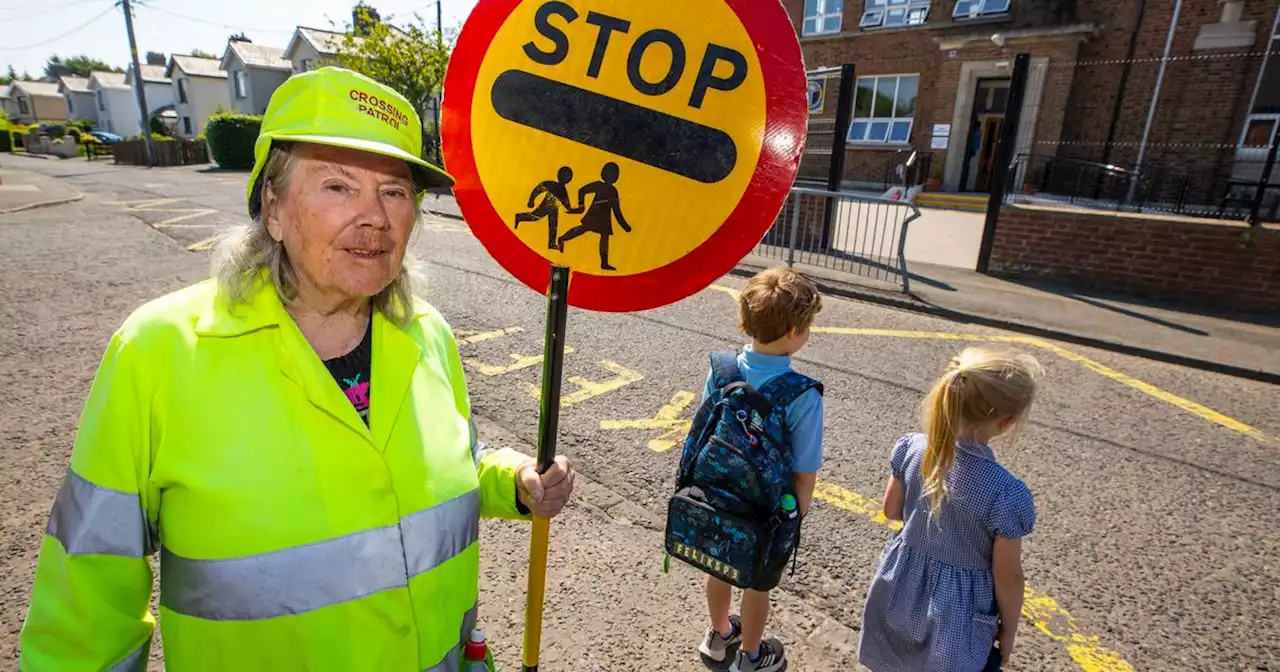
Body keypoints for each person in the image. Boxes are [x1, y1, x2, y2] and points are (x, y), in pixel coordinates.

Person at [19, 67, 576, 672]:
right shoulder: (157, 351)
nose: (374, 218)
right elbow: (86, 603)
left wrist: (512, 481)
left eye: (394, 192)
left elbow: (453, 463)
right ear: (274, 209)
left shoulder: (427, 335)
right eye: (338, 186)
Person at [858, 347, 1043, 672]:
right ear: (1006, 422)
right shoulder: (1006, 494)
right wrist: (1010, 629)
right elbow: (1008, 577)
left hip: (899, 588)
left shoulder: (913, 448)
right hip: (956, 616)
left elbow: (891, 510)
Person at [696, 267, 825, 672]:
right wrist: (797, 512)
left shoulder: (722, 370)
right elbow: (804, 468)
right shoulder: (801, 393)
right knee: (757, 584)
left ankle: (719, 635)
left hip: (716, 492)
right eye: (807, 326)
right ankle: (751, 657)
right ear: (792, 331)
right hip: (767, 508)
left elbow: (702, 427)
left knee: (720, 565)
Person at [556, 162, 631, 271]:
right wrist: (582, 205)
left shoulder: (613, 190)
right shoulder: (599, 185)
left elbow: (616, 209)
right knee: (584, 229)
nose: (614, 176)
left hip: (604, 218)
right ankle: (562, 238)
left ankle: (604, 263)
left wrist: (624, 225)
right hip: (595, 214)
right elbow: (582, 190)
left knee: (604, 237)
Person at [515, 166, 577, 250]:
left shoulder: (558, 188)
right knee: (536, 217)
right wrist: (531, 200)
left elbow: (566, 203)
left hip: (554, 208)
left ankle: (551, 244)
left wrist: (532, 199)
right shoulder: (555, 186)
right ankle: (519, 217)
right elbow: (538, 189)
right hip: (547, 206)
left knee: (553, 226)